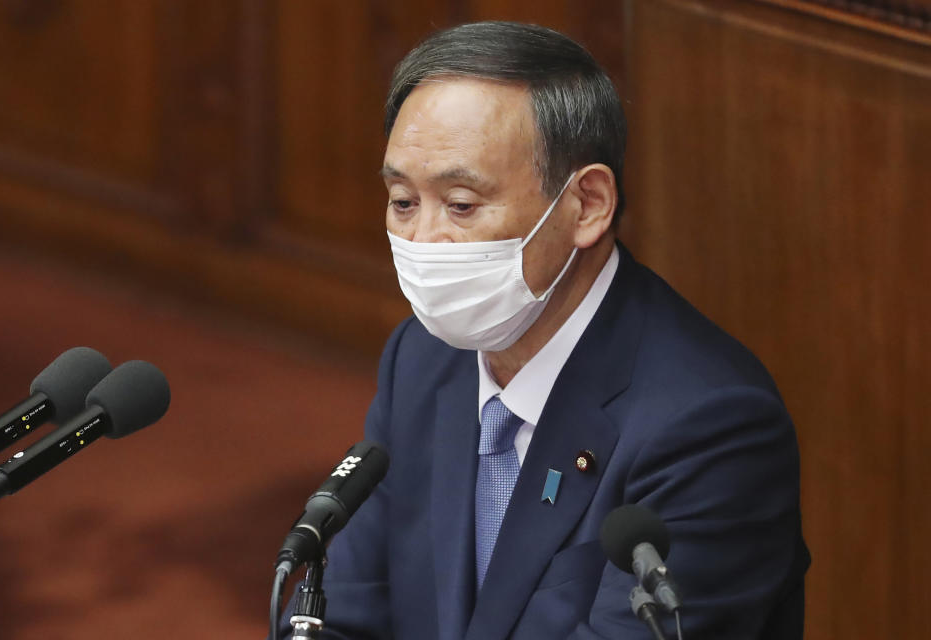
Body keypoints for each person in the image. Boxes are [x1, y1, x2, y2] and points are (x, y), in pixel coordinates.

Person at [280, 21, 809, 640]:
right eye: (402, 202)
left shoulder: (710, 427)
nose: (423, 241)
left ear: (587, 204)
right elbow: (341, 612)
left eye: (460, 205)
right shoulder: (423, 359)